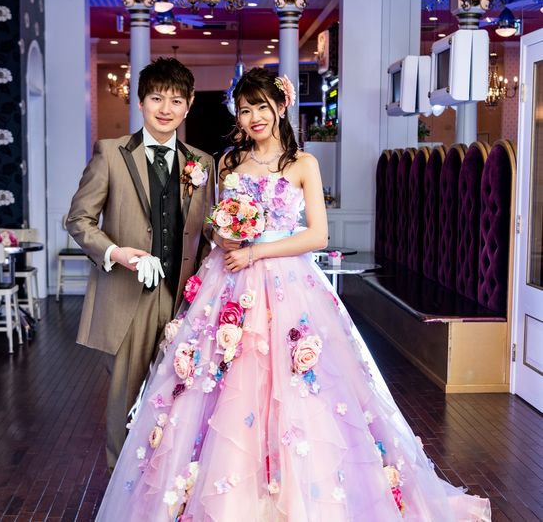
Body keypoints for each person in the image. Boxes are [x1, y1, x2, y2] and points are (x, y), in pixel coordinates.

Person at [95, 68, 491, 521]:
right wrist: (224, 235)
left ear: (282, 107)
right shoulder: (227, 163)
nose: (254, 117)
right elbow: (212, 223)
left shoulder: (304, 164)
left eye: (262, 107)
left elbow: (318, 236)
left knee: (298, 386)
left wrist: (258, 251)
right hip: (229, 280)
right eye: (245, 110)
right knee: (220, 382)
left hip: (287, 283)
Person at [66, 57, 215, 471]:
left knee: (180, 397)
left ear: (188, 106)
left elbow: (205, 234)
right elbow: (78, 220)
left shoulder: (202, 163)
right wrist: (116, 252)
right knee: (125, 404)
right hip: (128, 297)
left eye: (176, 100)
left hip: (183, 300)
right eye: (156, 98)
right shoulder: (111, 153)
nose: (166, 109)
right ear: (141, 101)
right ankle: (122, 490)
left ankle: (163, 488)